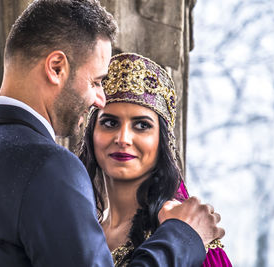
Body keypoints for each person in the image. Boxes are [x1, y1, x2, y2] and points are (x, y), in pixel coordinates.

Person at [0, 1, 224, 266]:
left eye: (142, 125)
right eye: (96, 82)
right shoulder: (49, 167)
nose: (99, 98)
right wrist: (182, 238)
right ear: (57, 68)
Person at [79, 53, 232, 266]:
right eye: (110, 123)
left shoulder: (189, 230)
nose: (123, 139)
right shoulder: (78, 231)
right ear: (90, 135)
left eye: (142, 125)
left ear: (162, 141)